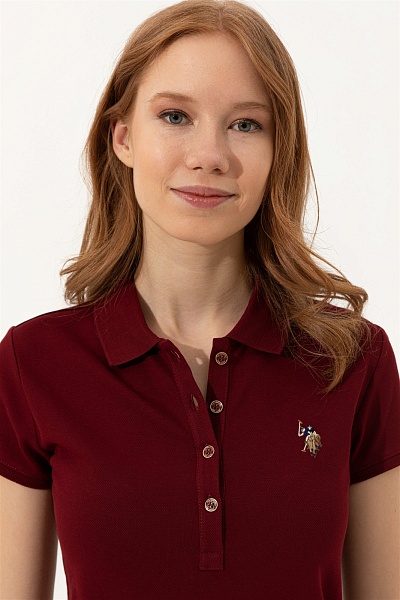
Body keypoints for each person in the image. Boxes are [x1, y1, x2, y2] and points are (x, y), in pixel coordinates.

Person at [1, 1, 399, 598]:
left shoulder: (352, 359)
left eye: (246, 124)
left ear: (279, 150)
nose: (209, 154)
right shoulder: (34, 362)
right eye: (175, 116)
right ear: (123, 137)